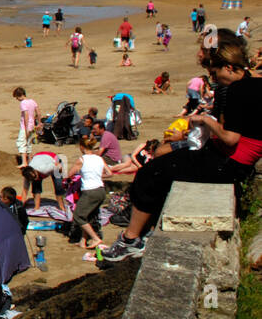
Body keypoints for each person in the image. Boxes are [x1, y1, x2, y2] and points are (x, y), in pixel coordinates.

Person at [103, 30, 262, 262]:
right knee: (163, 162)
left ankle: (130, 239)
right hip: (235, 160)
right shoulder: (251, 84)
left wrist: (204, 120)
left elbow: (231, 139)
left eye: (215, 73)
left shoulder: (237, 90)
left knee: (150, 172)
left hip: (228, 163)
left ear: (228, 67)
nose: (214, 79)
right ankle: (142, 232)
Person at [69, 136, 113, 249]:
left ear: (82, 147)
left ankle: (95, 238)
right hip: (101, 190)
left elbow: (70, 174)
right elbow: (110, 173)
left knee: (78, 216)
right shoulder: (99, 158)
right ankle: (82, 241)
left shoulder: (82, 159)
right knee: (87, 216)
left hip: (90, 191)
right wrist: (98, 175)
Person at [14, 87, 38, 166]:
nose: (17, 99)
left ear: (19, 95)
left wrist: (27, 127)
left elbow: (26, 115)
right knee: (29, 143)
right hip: (33, 126)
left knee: (21, 143)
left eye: (16, 97)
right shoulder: (32, 101)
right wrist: (39, 123)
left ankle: (24, 162)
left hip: (25, 127)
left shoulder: (23, 103)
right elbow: (38, 112)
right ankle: (30, 161)